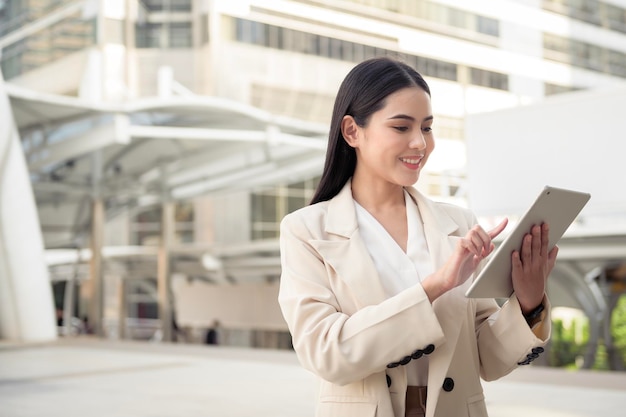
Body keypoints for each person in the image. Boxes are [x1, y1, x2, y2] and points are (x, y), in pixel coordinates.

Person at [277, 57, 557, 417]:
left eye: (426, 128)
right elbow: (326, 353)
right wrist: (435, 286)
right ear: (352, 132)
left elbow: (486, 358)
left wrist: (529, 302)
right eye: (401, 127)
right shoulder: (306, 231)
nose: (419, 143)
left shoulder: (458, 223)